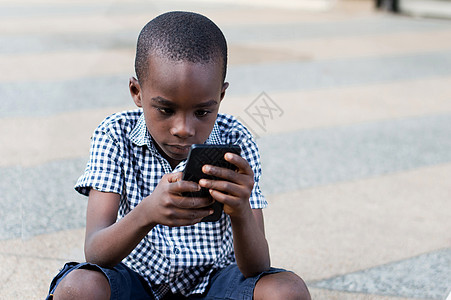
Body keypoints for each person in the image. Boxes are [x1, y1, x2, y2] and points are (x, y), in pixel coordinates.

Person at [46, 11, 311, 300]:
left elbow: (257, 267)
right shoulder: (114, 135)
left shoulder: (236, 140)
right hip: (138, 286)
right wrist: (147, 213)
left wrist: (241, 211)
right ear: (137, 91)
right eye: (166, 109)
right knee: (78, 288)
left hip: (214, 286)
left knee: (288, 291)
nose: (183, 129)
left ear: (220, 98)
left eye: (202, 112)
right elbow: (96, 251)